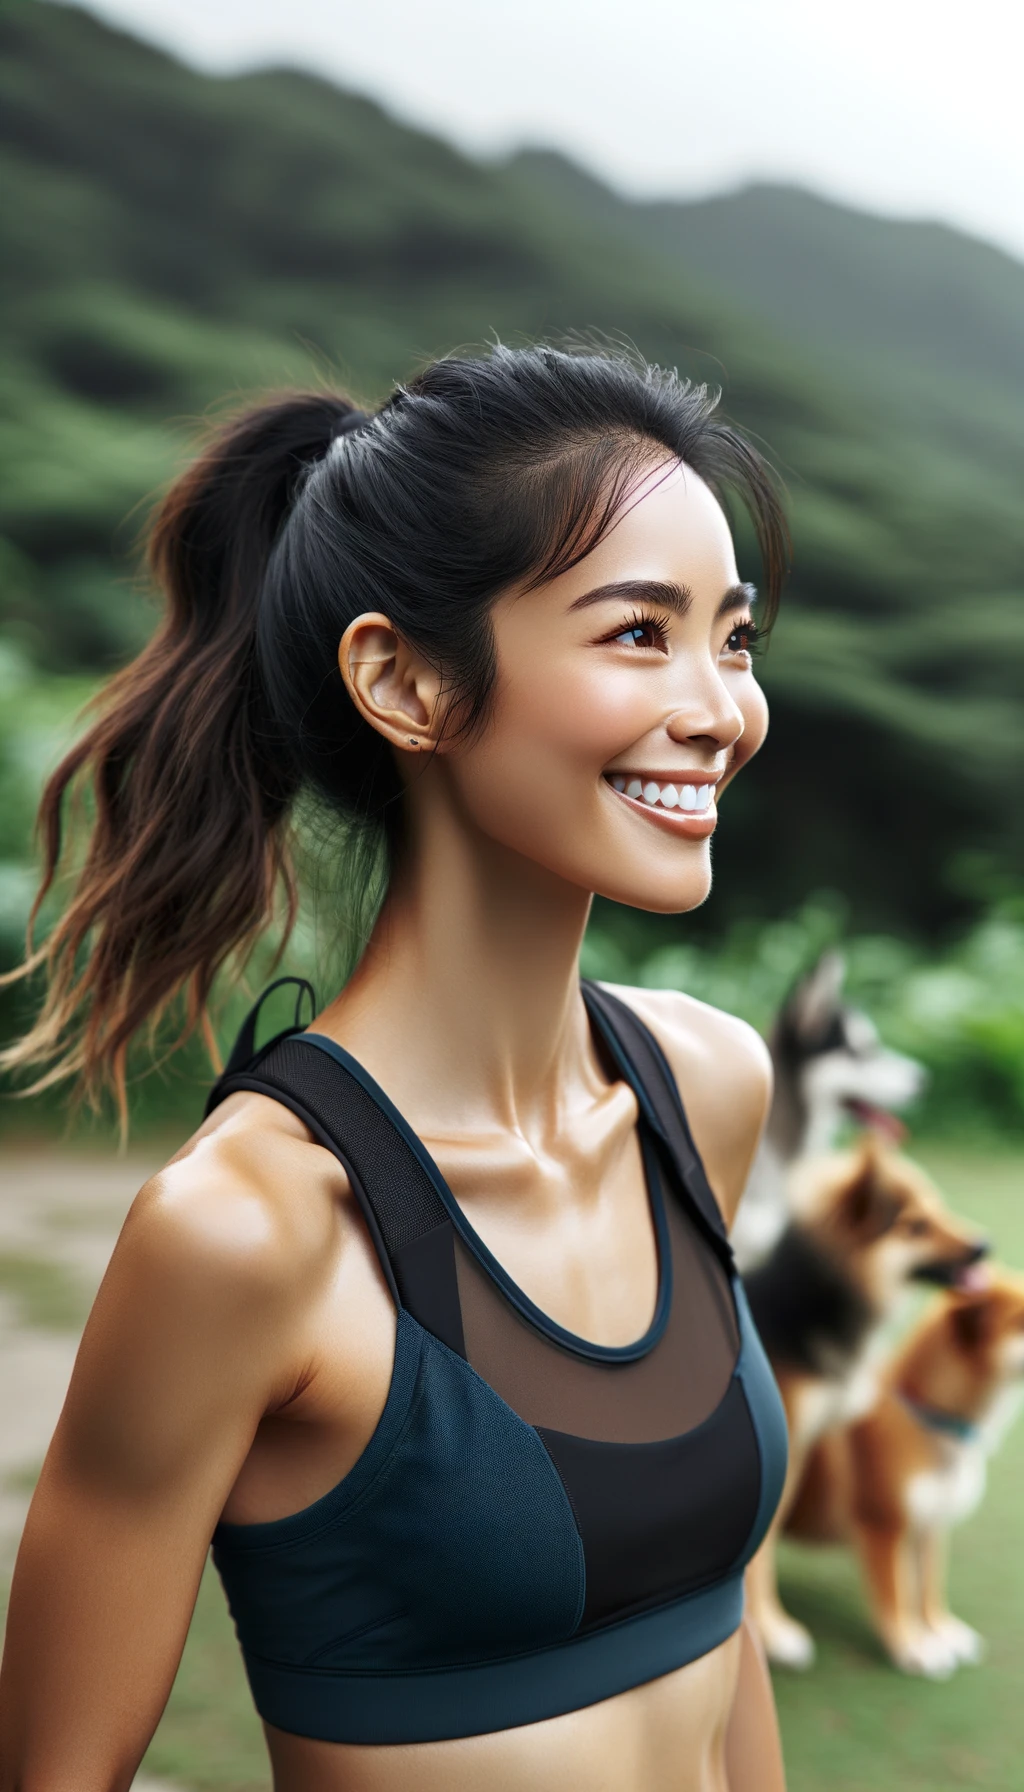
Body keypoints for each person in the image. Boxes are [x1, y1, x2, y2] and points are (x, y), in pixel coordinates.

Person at [0, 344, 791, 1792]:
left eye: (732, 639)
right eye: (638, 634)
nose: (719, 708)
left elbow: (716, 1631)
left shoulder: (705, 1089)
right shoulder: (252, 1230)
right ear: (407, 681)